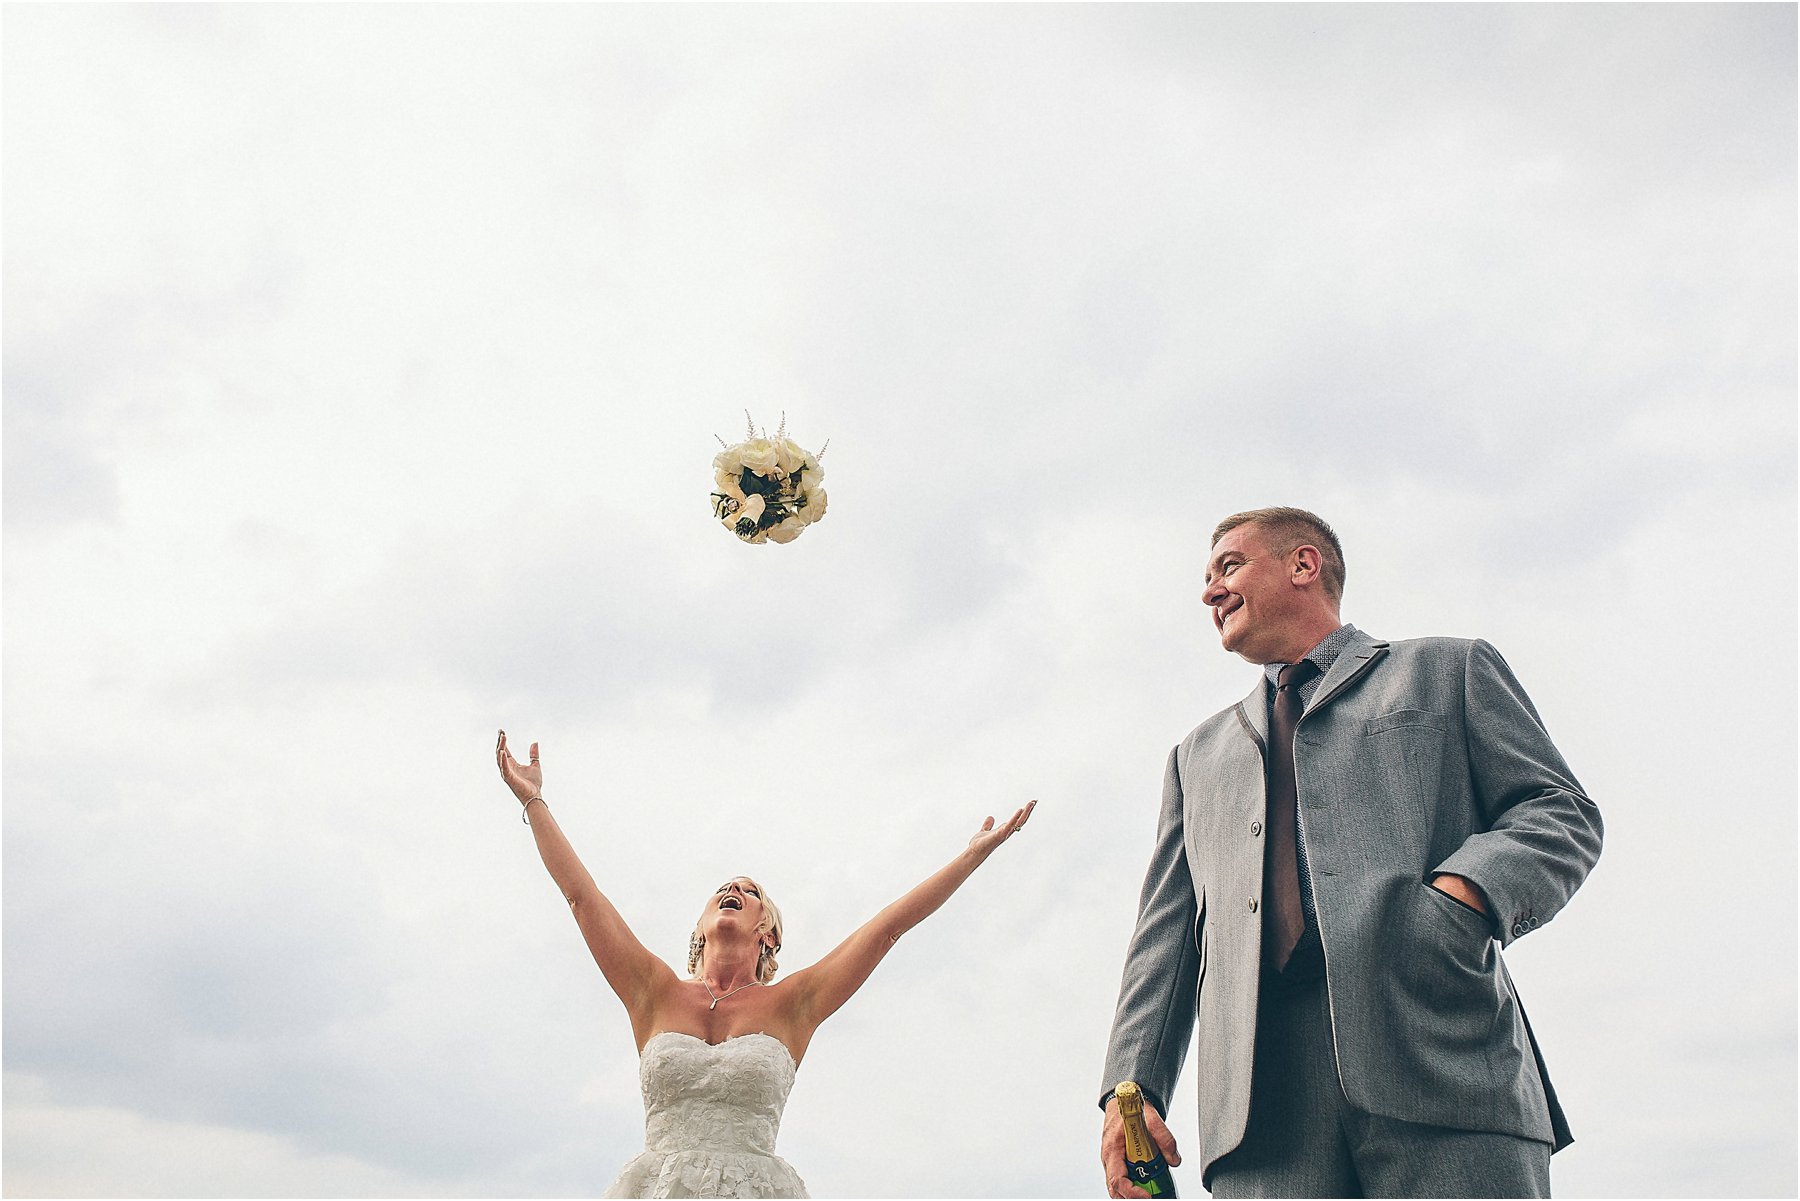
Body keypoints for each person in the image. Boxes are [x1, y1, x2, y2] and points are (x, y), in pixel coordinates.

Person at [1098, 507, 1603, 1198]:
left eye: (1229, 566)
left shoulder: (1448, 669)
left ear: (1303, 565)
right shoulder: (1195, 758)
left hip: (1443, 1058)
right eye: (1207, 577)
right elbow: (1163, 937)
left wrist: (1458, 901)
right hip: (1262, 1117)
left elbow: (1559, 812)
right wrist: (1131, 1086)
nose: (1210, 591)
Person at [495, 730, 1035, 1199]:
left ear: (768, 931)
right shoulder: (652, 991)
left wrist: (971, 856)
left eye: (748, 891)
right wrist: (536, 803)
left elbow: (887, 928)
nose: (733, 891)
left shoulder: (794, 1003)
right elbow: (581, 898)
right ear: (700, 927)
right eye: (723, 889)